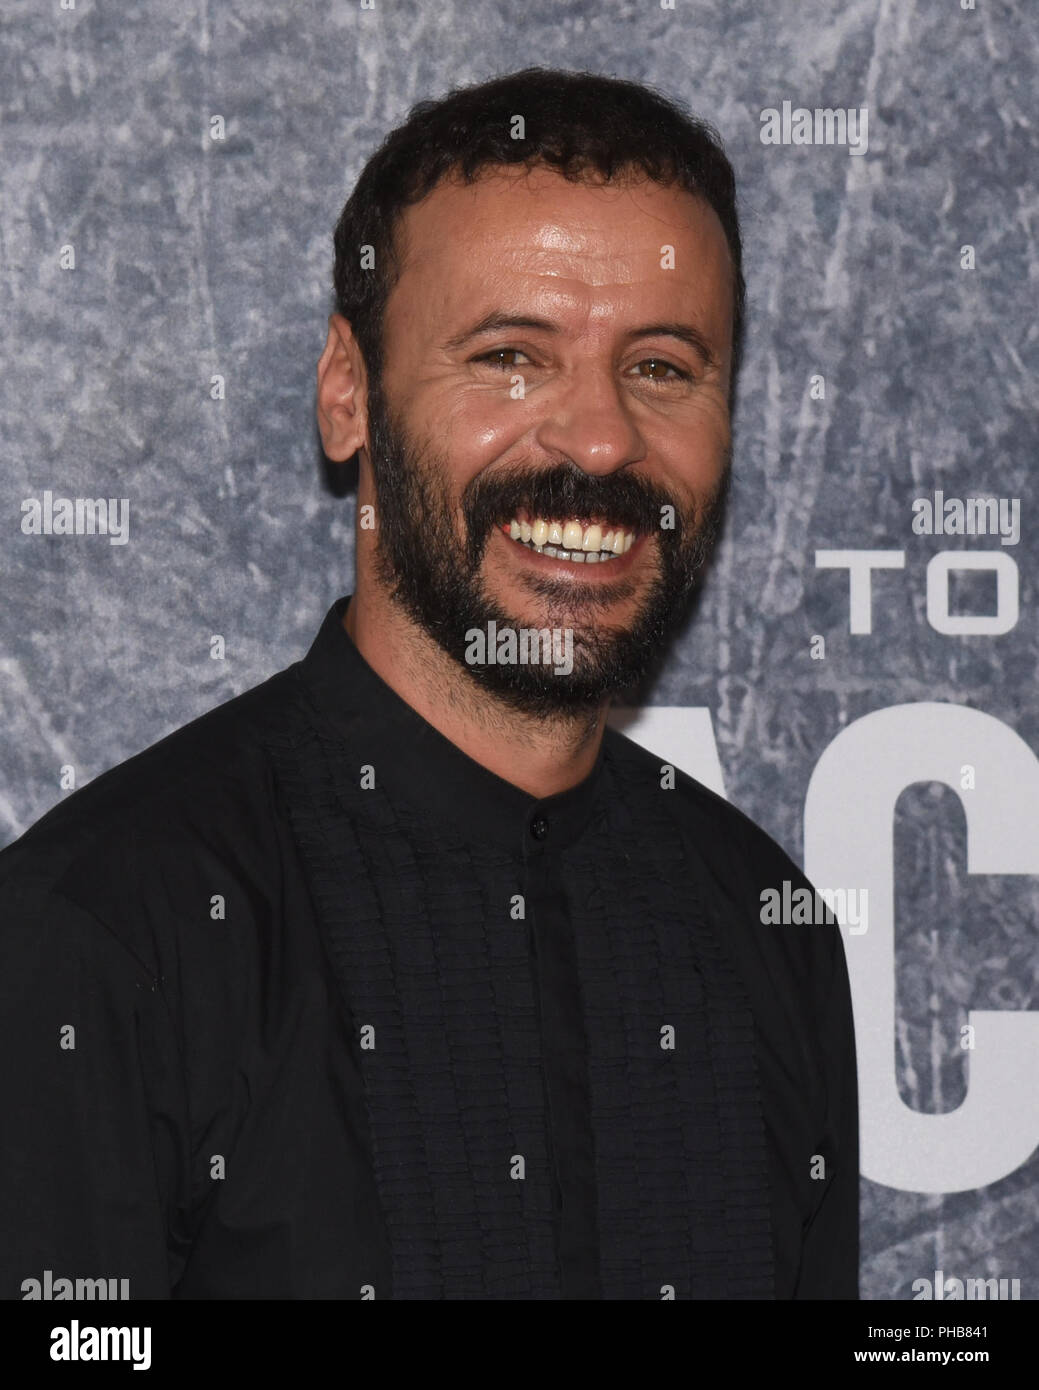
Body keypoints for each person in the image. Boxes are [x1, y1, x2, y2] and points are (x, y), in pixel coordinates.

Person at [0, 66, 858, 1300]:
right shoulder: (103, 934)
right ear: (347, 393)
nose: (601, 438)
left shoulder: (766, 927)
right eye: (511, 357)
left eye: (663, 367)